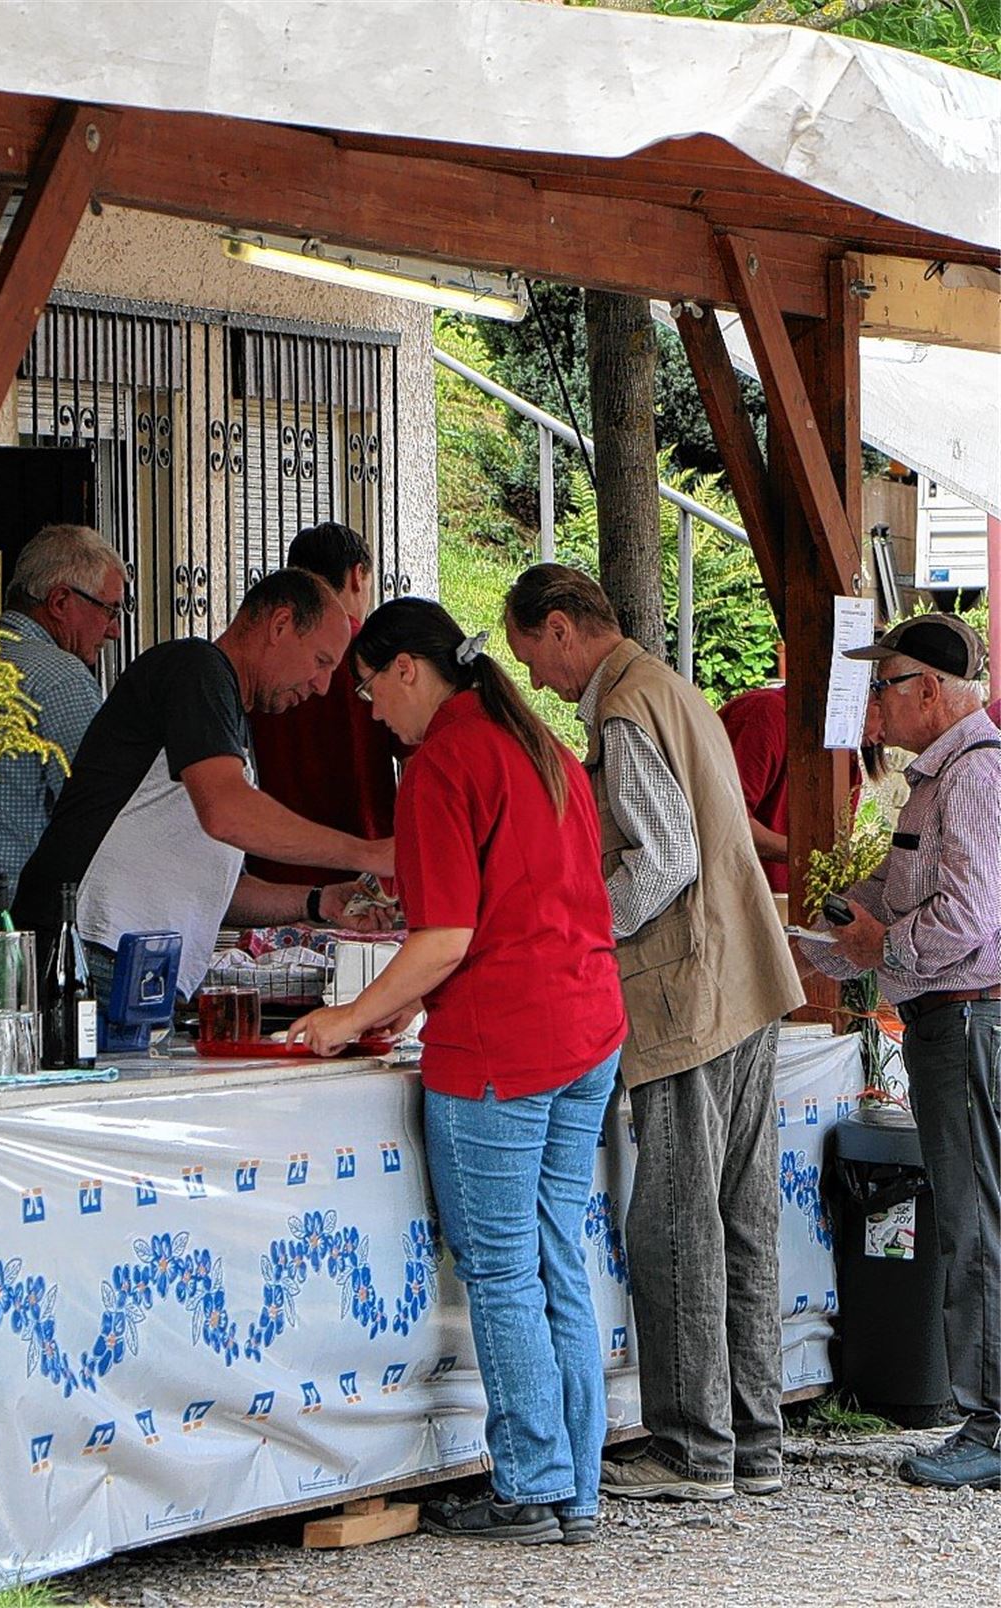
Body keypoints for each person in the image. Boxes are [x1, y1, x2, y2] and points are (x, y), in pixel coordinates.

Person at [288, 597, 626, 1544]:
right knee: (557, 1258)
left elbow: (444, 936)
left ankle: (530, 1485)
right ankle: (575, 1486)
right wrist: (397, 1003)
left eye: (369, 688)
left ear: (407, 668)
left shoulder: (442, 761)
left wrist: (352, 1015)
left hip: (502, 1044)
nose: (370, 711)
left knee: (505, 1270)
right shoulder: (539, 745)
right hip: (588, 1025)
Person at [504, 564, 804, 1503]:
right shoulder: (672, 686)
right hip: (745, 976)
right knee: (741, 1217)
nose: (539, 680)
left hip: (686, 991)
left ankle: (691, 1447)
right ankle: (753, 1441)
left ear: (561, 627)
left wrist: (579, 924)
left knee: (676, 1218)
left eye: (532, 656)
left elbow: (662, 859)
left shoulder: (626, 706)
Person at [799, 613, 1000, 1491]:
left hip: (969, 1020)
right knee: (971, 1217)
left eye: (884, 684)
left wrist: (879, 947)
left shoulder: (974, 774)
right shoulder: (938, 779)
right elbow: (890, 891)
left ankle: (992, 1424)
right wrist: (823, 938)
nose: (875, 702)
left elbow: (967, 918)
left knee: (974, 1222)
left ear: (929, 689)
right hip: (950, 1021)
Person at [13, 569, 393, 999]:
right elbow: (226, 813)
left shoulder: (231, 718)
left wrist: (319, 901)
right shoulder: (196, 668)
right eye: (321, 661)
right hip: (92, 949)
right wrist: (369, 853)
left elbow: (222, 890)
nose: (322, 686)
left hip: (139, 964)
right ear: (281, 624)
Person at [0, 524, 126, 913]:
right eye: (110, 609)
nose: (114, 630)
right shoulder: (60, 678)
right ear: (60, 601)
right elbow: (99, 810)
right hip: (2, 916)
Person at [247, 522, 400, 885]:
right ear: (358, 576)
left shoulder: (263, 658)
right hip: (368, 875)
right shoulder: (375, 656)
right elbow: (415, 767)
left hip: (272, 874)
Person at [718, 680, 876, 894]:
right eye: (885, 713)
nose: (880, 738)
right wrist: (809, 855)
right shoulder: (765, 715)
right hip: (736, 896)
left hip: (787, 902)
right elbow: (726, 821)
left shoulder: (845, 758)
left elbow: (835, 845)